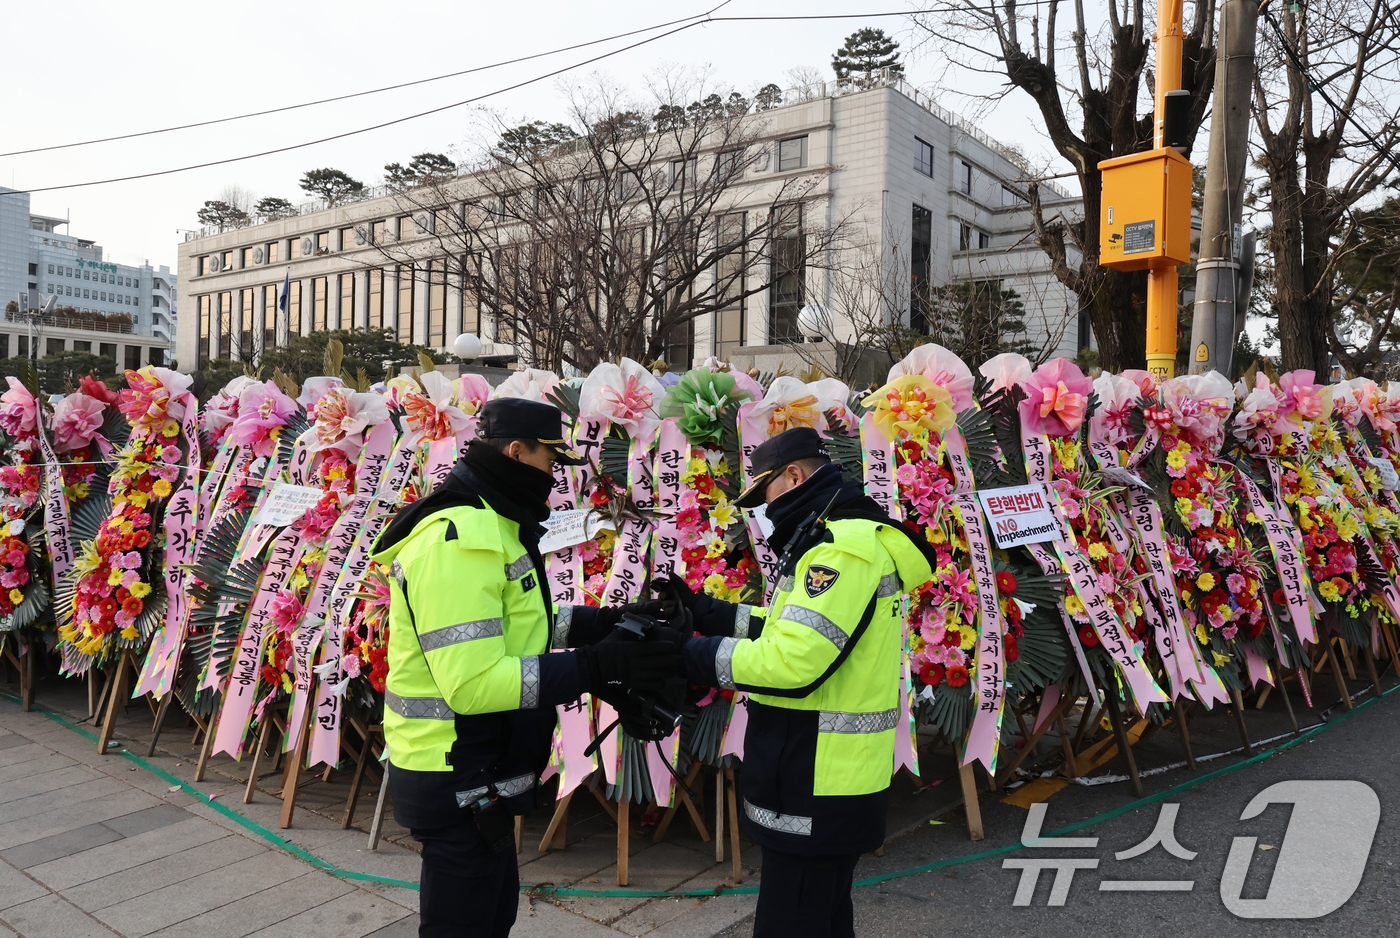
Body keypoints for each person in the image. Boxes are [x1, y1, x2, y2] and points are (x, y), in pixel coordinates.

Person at [372, 398, 682, 938]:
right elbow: (472, 684)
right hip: (451, 766)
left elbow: (518, 622)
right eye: (550, 462)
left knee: (493, 917)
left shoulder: (494, 520)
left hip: (477, 767)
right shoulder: (460, 539)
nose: (553, 478)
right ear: (517, 451)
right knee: (463, 925)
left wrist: (605, 622)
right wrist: (592, 668)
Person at [661, 427, 936, 938]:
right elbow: (792, 629)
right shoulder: (832, 533)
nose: (764, 510)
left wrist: (681, 654)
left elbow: (793, 661)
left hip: (818, 776)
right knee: (823, 917)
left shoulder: (839, 548)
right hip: (828, 773)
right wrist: (705, 611)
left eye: (765, 493)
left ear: (793, 475)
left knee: (793, 921)